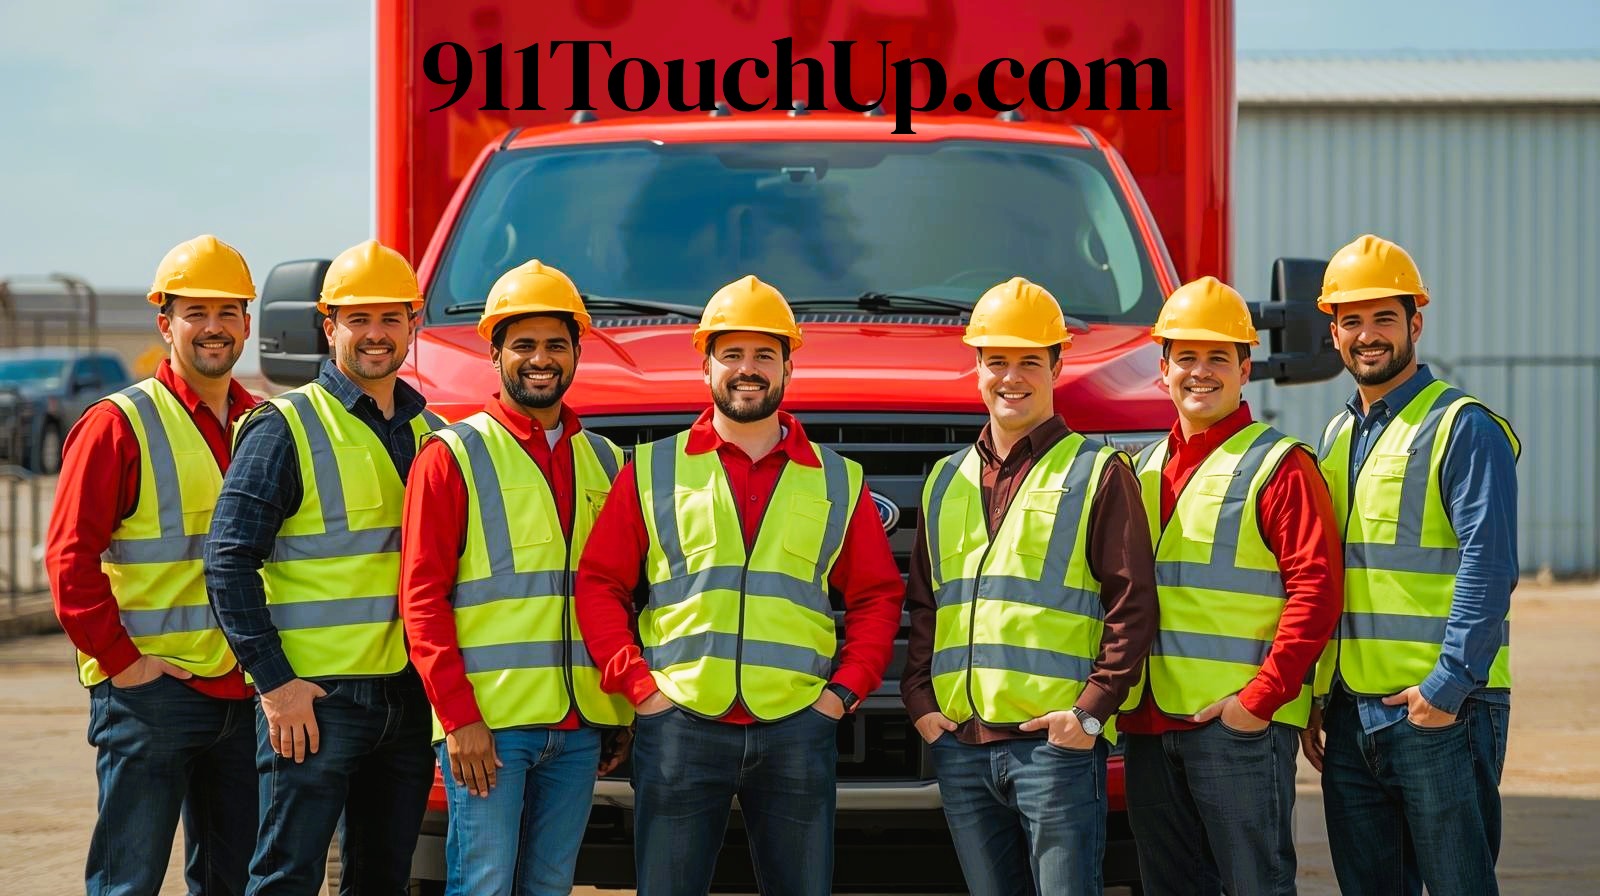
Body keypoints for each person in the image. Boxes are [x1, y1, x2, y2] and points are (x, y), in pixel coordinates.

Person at [574, 275, 904, 896]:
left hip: (796, 727)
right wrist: (640, 689)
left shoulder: (838, 480)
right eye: (733, 355)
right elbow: (599, 585)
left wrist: (842, 693)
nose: (747, 370)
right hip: (678, 724)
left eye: (764, 355)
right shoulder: (652, 469)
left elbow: (877, 596)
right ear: (706, 366)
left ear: (786, 368)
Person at [900, 277, 1158, 895]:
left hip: (1055, 749)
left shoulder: (1097, 471)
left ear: (1056, 365)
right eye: (996, 362)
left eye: (1028, 362)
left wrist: (1090, 715)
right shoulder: (945, 479)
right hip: (962, 744)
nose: (1010, 377)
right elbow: (926, 604)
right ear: (977, 366)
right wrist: (921, 704)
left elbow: (1133, 605)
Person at [204, 239, 445, 895]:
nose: (375, 334)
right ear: (327, 324)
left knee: (381, 880)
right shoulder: (286, 426)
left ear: (413, 323)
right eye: (357, 319)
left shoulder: (432, 435)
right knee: (286, 877)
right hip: (315, 701)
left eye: (390, 318)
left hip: (405, 697)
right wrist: (276, 684)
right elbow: (227, 563)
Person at [399, 260, 635, 896]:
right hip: (490, 729)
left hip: (581, 726)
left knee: (550, 887)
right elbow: (421, 602)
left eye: (556, 344)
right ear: (495, 352)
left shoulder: (605, 462)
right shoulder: (452, 456)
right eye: (524, 344)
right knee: (482, 885)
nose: (541, 358)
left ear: (576, 352)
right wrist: (457, 719)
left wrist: (618, 713)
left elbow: (613, 596)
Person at [1302, 234, 1519, 896]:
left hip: (1438, 712)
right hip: (1350, 715)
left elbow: (1490, 562)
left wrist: (1447, 688)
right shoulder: (1337, 435)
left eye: (1384, 319)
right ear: (1333, 332)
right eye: (1352, 321)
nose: (1368, 335)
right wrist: (1318, 695)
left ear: (1415, 323)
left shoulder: (1463, 426)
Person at [47, 234, 260, 896]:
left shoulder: (261, 424)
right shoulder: (118, 423)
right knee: (127, 881)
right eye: (197, 312)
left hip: (242, 691)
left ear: (247, 324)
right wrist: (123, 663)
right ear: (165, 323)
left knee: (233, 880)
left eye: (228, 312)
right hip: (150, 693)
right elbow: (68, 557)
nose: (214, 328)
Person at [1120, 276, 1343, 895]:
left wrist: (1258, 703)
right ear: (1162, 368)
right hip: (1148, 725)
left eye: (1219, 357)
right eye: (1186, 357)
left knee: (1255, 886)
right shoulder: (1139, 471)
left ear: (1246, 369)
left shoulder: (1279, 465)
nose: (1200, 372)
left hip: (1236, 729)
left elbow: (1316, 593)